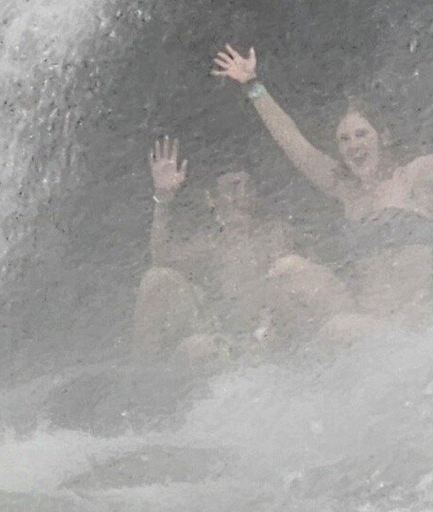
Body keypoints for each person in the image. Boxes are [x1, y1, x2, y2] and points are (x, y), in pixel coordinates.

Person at [211, 44, 433, 328]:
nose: (353, 145)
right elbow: (293, 142)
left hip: (409, 321)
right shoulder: (345, 189)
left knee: (339, 330)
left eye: (360, 134)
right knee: (287, 268)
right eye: (344, 140)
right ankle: (253, 345)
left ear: (382, 137)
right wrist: (253, 86)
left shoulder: (416, 178)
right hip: (361, 313)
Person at [133, 136, 349, 361]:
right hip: (230, 341)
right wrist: (164, 200)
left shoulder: (277, 231)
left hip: (282, 334)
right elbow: (161, 259)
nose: (241, 195)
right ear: (212, 198)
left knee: (290, 270)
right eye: (232, 188)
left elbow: (314, 279)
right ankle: (143, 380)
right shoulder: (211, 243)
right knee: (157, 280)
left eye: (248, 187)